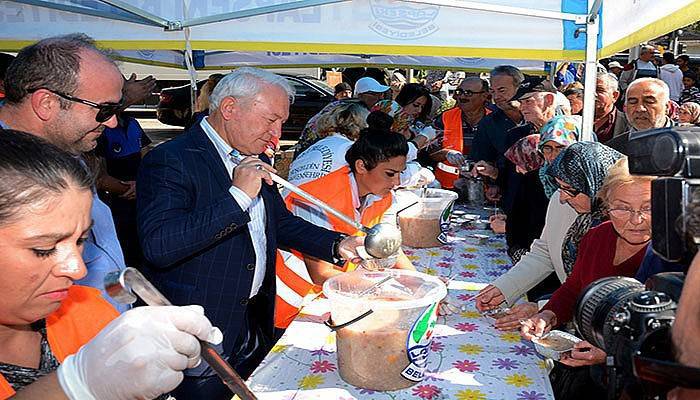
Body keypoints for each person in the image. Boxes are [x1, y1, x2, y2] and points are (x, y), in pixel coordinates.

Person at [137, 67, 364, 398]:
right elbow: (160, 245)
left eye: (281, 122)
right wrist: (238, 197)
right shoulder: (171, 160)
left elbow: (279, 223)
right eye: (271, 120)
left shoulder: (249, 154)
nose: (277, 132)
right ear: (229, 109)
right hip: (200, 329)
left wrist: (338, 243)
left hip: (253, 320)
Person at [0, 129, 222, 400]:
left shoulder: (86, 310)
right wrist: (75, 385)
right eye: (44, 249)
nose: (78, 269)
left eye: (81, 240)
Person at [0, 34, 129, 312]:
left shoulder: (70, 152)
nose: (112, 122)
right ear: (46, 103)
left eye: (116, 108)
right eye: (104, 109)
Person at [521, 158, 654, 400]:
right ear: (605, 205)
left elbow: (675, 342)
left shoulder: (675, 256)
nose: (636, 220)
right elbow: (575, 288)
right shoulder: (596, 236)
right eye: (622, 208)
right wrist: (547, 315)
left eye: (648, 208)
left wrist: (610, 354)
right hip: (593, 378)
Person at [276, 126, 415, 328]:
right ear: (361, 166)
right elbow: (320, 273)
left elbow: (387, 246)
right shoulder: (317, 200)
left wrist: (417, 282)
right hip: (293, 303)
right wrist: (383, 288)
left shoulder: (380, 195)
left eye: (400, 173)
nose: (397, 182)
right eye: (390, 174)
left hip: (331, 295)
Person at [475, 142, 624, 331]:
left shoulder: (623, 225)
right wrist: (504, 288)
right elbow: (544, 252)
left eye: (570, 190)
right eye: (560, 187)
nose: (562, 197)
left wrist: (543, 308)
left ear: (598, 185)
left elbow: (600, 291)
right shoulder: (561, 202)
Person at [95, 113, 152, 267]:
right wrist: (135, 188)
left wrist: (143, 185)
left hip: (140, 203)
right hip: (115, 204)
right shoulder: (99, 129)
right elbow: (100, 178)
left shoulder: (132, 123)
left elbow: (148, 160)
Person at [293, 76, 389, 156]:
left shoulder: (343, 104)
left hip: (312, 151)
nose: (380, 97)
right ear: (360, 95)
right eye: (375, 94)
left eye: (381, 94)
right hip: (316, 152)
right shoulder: (355, 109)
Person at [494, 134, 548, 266]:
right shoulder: (533, 183)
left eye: (521, 162)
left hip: (536, 263)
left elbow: (539, 229)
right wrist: (510, 220)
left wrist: (508, 228)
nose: (517, 170)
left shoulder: (541, 187)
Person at [429, 77, 491, 189]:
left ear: (484, 96)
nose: (462, 97)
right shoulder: (445, 117)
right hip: (448, 187)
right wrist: (446, 153)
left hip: (487, 189)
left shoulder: (495, 119)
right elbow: (429, 151)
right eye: (460, 92)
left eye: (468, 93)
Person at [469, 65, 524, 165]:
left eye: (502, 90)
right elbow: (480, 159)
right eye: (493, 91)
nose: (496, 96)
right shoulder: (488, 123)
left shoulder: (537, 117)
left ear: (519, 88)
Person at [607, 78, 675, 154]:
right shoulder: (612, 150)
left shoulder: (687, 140)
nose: (640, 109)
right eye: (633, 102)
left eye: (649, 102)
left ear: (668, 107)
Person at [538, 116, 580, 199]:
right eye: (547, 148)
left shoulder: (589, 182)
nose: (553, 156)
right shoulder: (532, 182)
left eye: (561, 149)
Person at [593, 72, 629, 144]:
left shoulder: (627, 123)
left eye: (599, 90)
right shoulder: (574, 118)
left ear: (615, 95)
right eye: (588, 90)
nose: (593, 94)